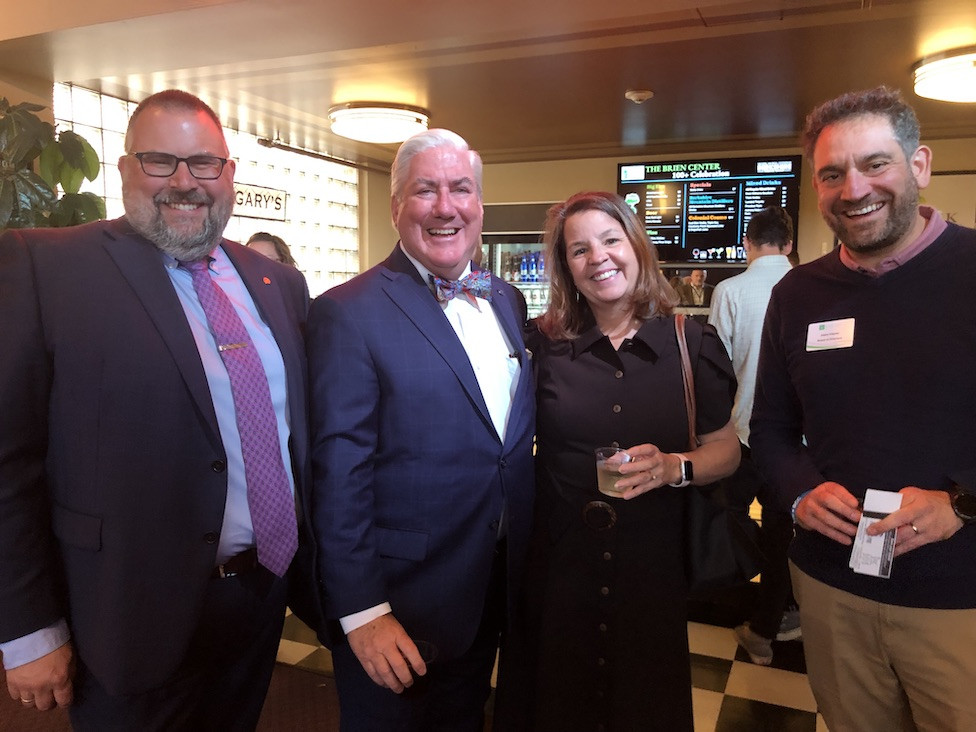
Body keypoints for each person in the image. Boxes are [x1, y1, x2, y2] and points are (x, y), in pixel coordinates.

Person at [0, 90, 315, 730]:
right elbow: (7, 460)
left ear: (228, 175)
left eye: (203, 164)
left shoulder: (276, 282)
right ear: (123, 170)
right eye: (159, 160)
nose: (184, 182)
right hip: (121, 609)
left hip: (259, 596)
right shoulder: (46, 266)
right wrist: (28, 628)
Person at [751, 86, 976, 731]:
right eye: (831, 174)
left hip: (958, 597)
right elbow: (768, 427)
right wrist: (797, 493)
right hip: (831, 590)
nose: (854, 189)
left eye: (875, 163)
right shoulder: (797, 294)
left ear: (920, 165)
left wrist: (959, 503)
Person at [306, 128, 535, 731]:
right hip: (399, 603)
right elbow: (337, 474)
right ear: (396, 207)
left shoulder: (508, 300)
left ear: (480, 204)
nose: (445, 206)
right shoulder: (347, 312)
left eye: (460, 189)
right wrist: (362, 611)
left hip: (490, 586)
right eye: (425, 190)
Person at [498, 191, 739, 731]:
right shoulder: (543, 344)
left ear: (636, 245)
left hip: (651, 566)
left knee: (643, 703)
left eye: (611, 240)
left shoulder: (689, 344)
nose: (598, 257)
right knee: (559, 704)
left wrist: (674, 465)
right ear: (566, 268)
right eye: (579, 250)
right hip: (559, 565)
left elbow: (726, 451)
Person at [707, 206, 798, 666]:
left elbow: (715, 367)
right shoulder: (808, 284)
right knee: (785, 530)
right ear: (788, 244)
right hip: (799, 443)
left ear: (747, 244)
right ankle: (771, 620)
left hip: (743, 432)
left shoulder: (730, 290)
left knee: (727, 514)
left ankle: (731, 599)